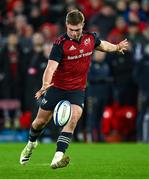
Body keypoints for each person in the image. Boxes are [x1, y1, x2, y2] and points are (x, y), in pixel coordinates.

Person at [20, 9, 128, 169]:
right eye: (71, 29)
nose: (74, 33)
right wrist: (45, 85)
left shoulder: (90, 38)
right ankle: (31, 144)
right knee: (40, 122)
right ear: (66, 26)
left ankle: (57, 157)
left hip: (77, 89)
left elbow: (103, 45)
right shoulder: (60, 44)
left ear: (82, 25)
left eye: (77, 30)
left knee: (74, 116)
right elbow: (50, 68)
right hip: (57, 87)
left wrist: (116, 47)